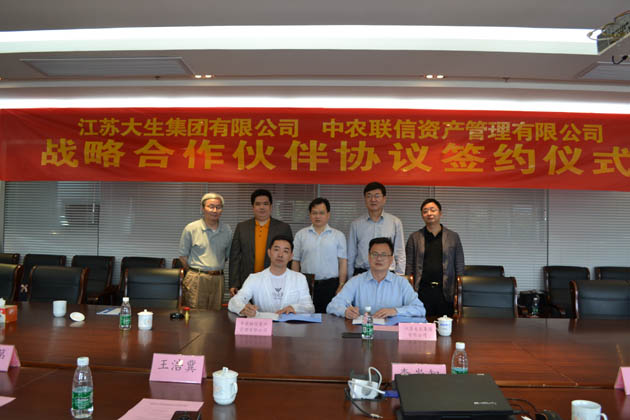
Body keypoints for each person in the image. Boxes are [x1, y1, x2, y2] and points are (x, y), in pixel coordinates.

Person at [327, 237, 425, 319]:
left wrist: (395, 311)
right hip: (364, 332)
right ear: (369, 257)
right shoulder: (356, 281)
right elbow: (332, 306)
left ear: (391, 259)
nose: (379, 258)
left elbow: (420, 309)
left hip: (392, 333)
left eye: (384, 255)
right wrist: (345, 311)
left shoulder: (401, 283)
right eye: (375, 254)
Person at [405, 198, 464, 317]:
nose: (429, 213)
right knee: (421, 324)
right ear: (422, 215)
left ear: (440, 213)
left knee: (446, 325)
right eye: (425, 211)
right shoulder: (414, 237)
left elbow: (459, 265)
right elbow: (409, 265)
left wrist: (458, 292)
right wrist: (409, 291)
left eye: (433, 210)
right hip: (422, 291)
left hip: (445, 291)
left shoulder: (453, 236)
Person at [228, 235, 314, 316]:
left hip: (290, 326)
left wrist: (294, 308)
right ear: (269, 252)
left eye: (285, 251)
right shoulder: (254, 278)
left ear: (291, 256)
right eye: (276, 249)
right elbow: (234, 302)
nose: (280, 255)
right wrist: (243, 308)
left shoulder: (299, 278)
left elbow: (310, 307)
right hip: (264, 325)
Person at [229, 189, 293, 296]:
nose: (262, 207)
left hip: (275, 282)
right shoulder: (242, 227)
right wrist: (234, 283)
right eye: (258, 204)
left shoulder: (283, 228)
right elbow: (235, 258)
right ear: (253, 207)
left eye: (265, 204)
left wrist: (289, 282)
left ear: (271, 206)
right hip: (247, 282)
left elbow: (288, 257)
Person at [291, 197, 347, 313]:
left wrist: (341, 285)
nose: (318, 216)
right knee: (305, 316)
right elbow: (295, 261)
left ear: (328, 214)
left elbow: (343, 262)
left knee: (330, 318)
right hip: (306, 284)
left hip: (330, 285)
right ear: (310, 214)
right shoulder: (301, 235)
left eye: (321, 213)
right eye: (314, 213)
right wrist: (295, 285)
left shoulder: (338, 236)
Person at [178, 192, 233, 310]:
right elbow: (183, 256)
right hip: (197, 278)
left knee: (216, 316)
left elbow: (226, 256)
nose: (215, 210)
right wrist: (196, 271)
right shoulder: (191, 228)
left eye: (218, 207)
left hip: (218, 279)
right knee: (196, 315)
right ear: (203, 208)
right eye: (211, 206)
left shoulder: (227, 230)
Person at [347, 182, 405, 278]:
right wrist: (350, 279)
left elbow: (400, 252)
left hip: (388, 274)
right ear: (365, 199)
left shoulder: (395, 222)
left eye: (377, 196)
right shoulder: (356, 224)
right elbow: (351, 254)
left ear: (384, 199)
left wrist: (399, 277)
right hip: (362, 273)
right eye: (369, 196)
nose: (373, 199)